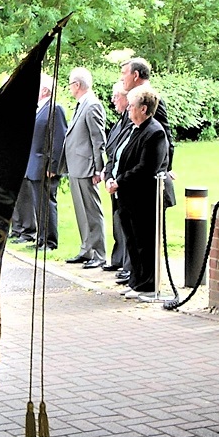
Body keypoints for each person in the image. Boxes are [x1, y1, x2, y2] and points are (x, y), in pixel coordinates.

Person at [106, 85, 169, 301]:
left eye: (132, 105)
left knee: (143, 241)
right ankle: (136, 281)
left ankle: (147, 284)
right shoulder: (131, 128)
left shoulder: (155, 132)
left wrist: (119, 182)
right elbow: (115, 155)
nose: (128, 109)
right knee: (131, 240)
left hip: (141, 196)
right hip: (124, 195)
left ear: (144, 109)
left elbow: (146, 167)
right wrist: (109, 177)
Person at [10, 74, 67, 249]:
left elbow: (58, 139)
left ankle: (49, 241)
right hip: (34, 166)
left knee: (46, 204)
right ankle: (41, 239)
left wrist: (54, 165)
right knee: (39, 205)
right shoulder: (39, 109)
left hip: (45, 166)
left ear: (44, 90)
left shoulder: (54, 108)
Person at [61, 67, 107, 269]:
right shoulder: (82, 105)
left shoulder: (92, 105)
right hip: (77, 166)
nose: (70, 88)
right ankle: (86, 249)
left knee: (92, 211)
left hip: (87, 167)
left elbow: (98, 140)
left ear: (77, 85)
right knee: (82, 211)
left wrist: (99, 169)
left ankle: (98, 252)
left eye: (71, 84)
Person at [102, 81, 132, 281]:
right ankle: (119, 259)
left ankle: (127, 265)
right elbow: (112, 150)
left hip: (125, 180)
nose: (113, 100)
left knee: (126, 223)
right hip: (114, 177)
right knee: (117, 220)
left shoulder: (131, 122)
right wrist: (107, 174)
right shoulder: (120, 121)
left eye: (116, 96)